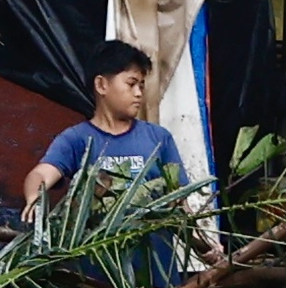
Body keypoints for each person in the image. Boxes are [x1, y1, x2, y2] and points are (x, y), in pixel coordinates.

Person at [19, 41, 190, 227]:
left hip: (153, 254)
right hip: (99, 254)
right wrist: (35, 198)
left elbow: (180, 202)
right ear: (101, 85)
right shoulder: (76, 139)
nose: (139, 93)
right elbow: (41, 175)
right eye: (131, 84)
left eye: (141, 85)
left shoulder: (159, 138)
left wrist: (202, 243)